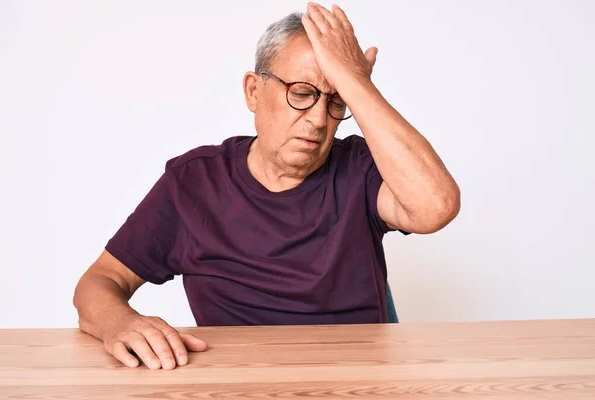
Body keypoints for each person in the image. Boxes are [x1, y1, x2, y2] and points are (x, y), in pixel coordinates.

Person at [73, 3, 460, 370]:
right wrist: (119, 323)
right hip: (241, 382)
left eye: (336, 101)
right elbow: (99, 282)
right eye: (302, 93)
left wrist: (356, 82)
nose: (319, 119)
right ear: (254, 92)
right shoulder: (193, 182)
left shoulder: (360, 166)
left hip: (356, 380)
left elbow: (435, 207)